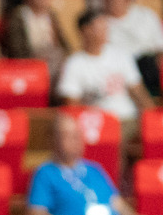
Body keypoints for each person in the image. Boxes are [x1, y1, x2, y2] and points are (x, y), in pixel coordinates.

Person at [57, 9, 154, 143]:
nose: (105, 30)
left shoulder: (121, 55)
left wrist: (154, 117)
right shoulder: (74, 63)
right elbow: (71, 104)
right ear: (86, 30)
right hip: (96, 124)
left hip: (127, 118)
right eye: (100, 26)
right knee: (112, 137)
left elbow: (138, 91)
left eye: (105, 26)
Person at [28, 113, 134, 215]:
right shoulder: (45, 173)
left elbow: (118, 204)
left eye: (78, 134)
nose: (76, 140)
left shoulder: (94, 169)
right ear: (53, 140)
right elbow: (37, 213)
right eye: (68, 135)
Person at [103, 0, 163, 97]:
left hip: (150, 65)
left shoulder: (146, 15)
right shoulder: (102, 23)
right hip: (120, 69)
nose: (112, 0)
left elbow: (160, 47)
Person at [4, 0, 69, 83]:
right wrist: (36, 58)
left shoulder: (51, 15)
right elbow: (16, 48)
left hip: (54, 60)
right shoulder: (19, 16)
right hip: (30, 62)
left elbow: (65, 45)